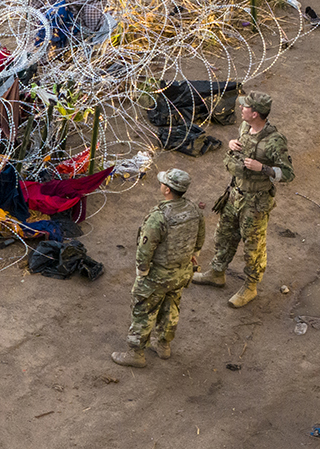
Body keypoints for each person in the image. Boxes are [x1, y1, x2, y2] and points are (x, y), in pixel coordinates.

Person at [192, 92, 294, 307]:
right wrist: (232, 145)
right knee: (224, 235)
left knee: (253, 247)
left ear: (255, 113)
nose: (240, 108)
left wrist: (263, 168)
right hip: (235, 194)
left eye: (244, 107)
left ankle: (250, 287)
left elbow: (288, 174)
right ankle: (217, 273)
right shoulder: (244, 128)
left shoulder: (274, 141)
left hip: (255, 203)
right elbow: (240, 151)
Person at [111, 169, 206, 368]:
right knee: (171, 307)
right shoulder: (194, 210)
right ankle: (163, 345)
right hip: (181, 272)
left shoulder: (159, 217)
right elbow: (199, 239)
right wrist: (191, 256)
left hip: (158, 275)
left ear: (167, 190)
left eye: (163, 183)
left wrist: (142, 271)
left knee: (143, 311)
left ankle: (136, 353)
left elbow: (145, 248)